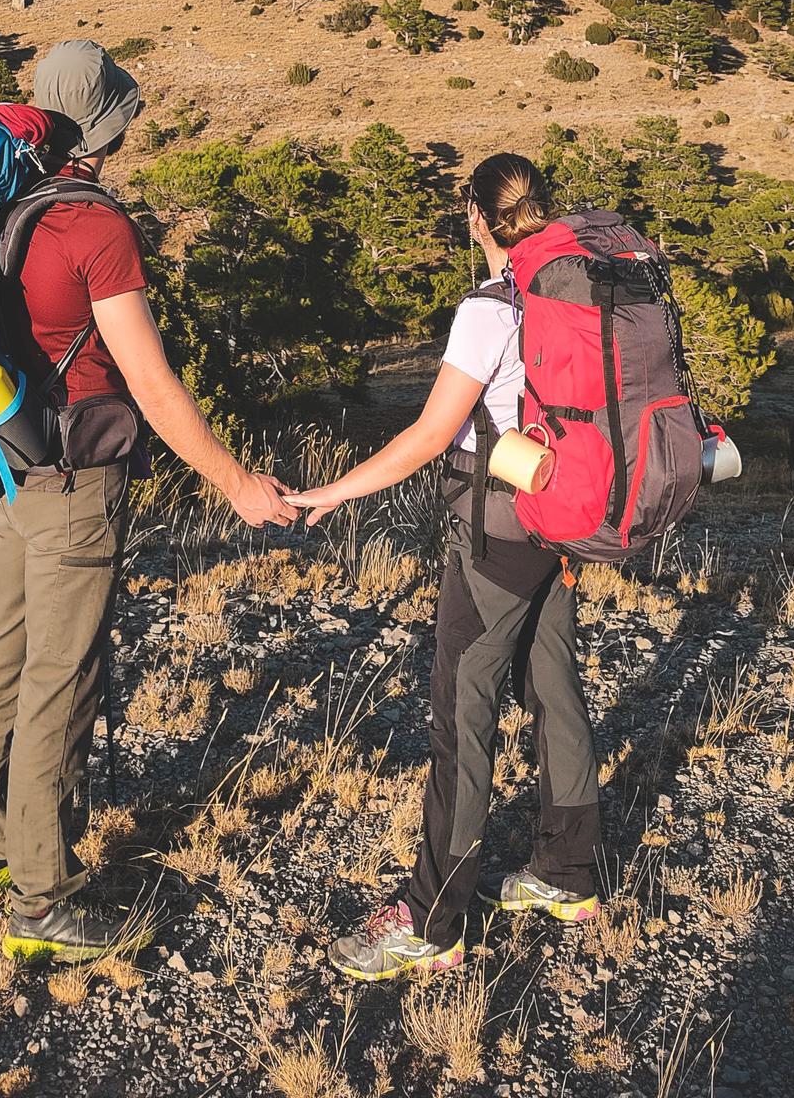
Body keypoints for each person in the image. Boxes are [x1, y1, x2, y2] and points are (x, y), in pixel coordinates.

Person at [0, 39, 293, 963]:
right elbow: (150, 384)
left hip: (9, 460)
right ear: (107, 123)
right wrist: (234, 482)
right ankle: (43, 900)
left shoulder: (2, 201)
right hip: (75, 477)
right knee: (58, 680)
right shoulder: (94, 226)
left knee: (3, 655)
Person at [287, 153, 601, 981]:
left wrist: (336, 491)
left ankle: (431, 919)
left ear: (476, 217)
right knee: (553, 689)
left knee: (460, 716)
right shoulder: (578, 291)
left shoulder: (489, 309)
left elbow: (430, 436)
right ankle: (567, 874)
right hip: (561, 521)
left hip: (494, 530)